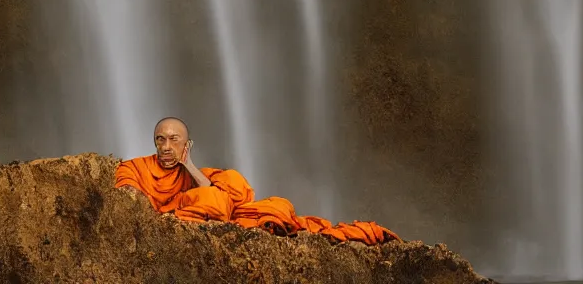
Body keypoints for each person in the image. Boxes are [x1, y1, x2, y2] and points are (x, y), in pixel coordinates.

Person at [114, 117, 399, 245]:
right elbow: (127, 195)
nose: (166, 146)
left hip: (205, 201)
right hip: (170, 217)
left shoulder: (197, 171)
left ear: (187, 144)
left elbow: (225, 202)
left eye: (174, 140)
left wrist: (189, 166)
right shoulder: (137, 167)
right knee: (215, 198)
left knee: (274, 205)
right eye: (160, 140)